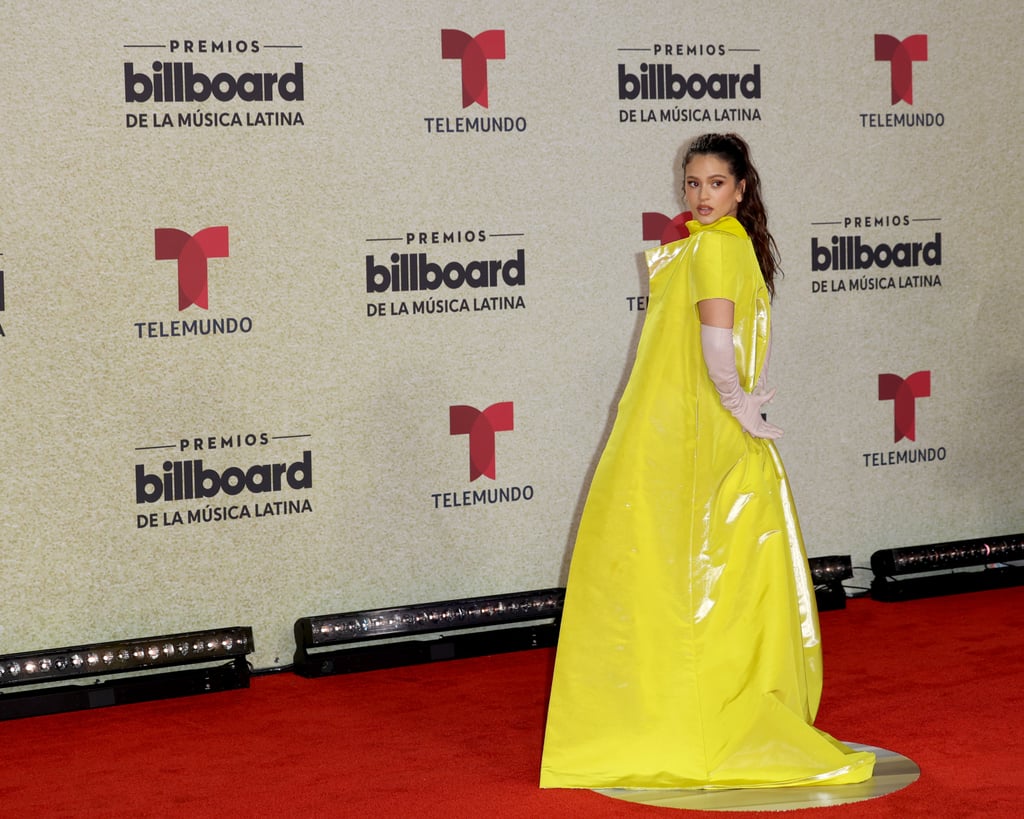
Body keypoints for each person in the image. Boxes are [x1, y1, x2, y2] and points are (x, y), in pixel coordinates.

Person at [540, 133, 875, 789]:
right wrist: (739, 403)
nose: (702, 194)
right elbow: (717, 342)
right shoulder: (718, 246)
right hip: (714, 431)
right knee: (732, 570)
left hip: (682, 430)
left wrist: (735, 403)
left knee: (685, 568)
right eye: (693, 183)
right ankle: (721, 712)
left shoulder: (706, 245)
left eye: (715, 183)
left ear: (742, 187)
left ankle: (684, 709)